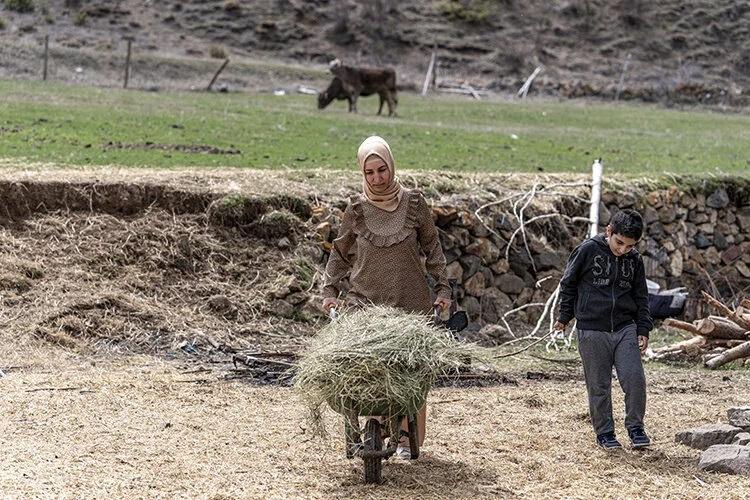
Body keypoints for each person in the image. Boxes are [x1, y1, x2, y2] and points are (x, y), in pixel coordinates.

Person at [322, 135, 451, 459]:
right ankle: (375, 430)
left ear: (391, 166)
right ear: (362, 174)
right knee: (372, 372)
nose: (378, 178)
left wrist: (443, 289)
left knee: (411, 371)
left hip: (410, 302)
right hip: (366, 302)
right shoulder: (356, 209)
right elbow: (339, 253)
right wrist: (330, 291)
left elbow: (432, 249)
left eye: (382, 170)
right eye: (370, 172)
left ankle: (408, 437)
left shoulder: (415, 203)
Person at [554, 209, 653, 450]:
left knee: (635, 380)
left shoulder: (635, 260)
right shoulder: (587, 250)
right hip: (592, 328)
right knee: (598, 385)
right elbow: (568, 283)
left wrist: (643, 328)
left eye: (630, 246)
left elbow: (641, 296)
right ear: (609, 231)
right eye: (619, 243)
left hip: (624, 328)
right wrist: (564, 316)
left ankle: (635, 427)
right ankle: (605, 433)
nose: (623, 250)